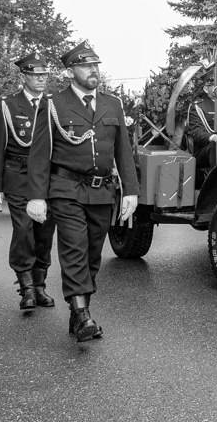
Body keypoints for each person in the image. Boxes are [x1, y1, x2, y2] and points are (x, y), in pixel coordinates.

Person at [26, 41, 139, 342]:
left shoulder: (111, 104)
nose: (94, 71)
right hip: (66, 189)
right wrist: (37, 196)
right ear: (71, 71)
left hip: (101, 192)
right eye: (87, 66)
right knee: (74, 247)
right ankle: (83, 315)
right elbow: (39, 154)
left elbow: (123, 152)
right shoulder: (53, 104)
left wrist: (131, 190)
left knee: (92, 255)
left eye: (96, 66)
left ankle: (78, 313)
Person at [0, 53, 57, 310]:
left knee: (44, 233)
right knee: (24, 229)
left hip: (47, 177)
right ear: (23, 76)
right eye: (36, 75)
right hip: (17, 174)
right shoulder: (7, 105)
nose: (41, 79)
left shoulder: (53, 105)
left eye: (44, 75)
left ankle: (40, 286)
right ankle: (26, 286)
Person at [187, 78, 217, 187]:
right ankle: (216, 185)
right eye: (215, 84)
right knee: (215, 147)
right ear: (206, 88)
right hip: (204, 149)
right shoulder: (198, 106)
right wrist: (211, 137)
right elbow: (196, 131)